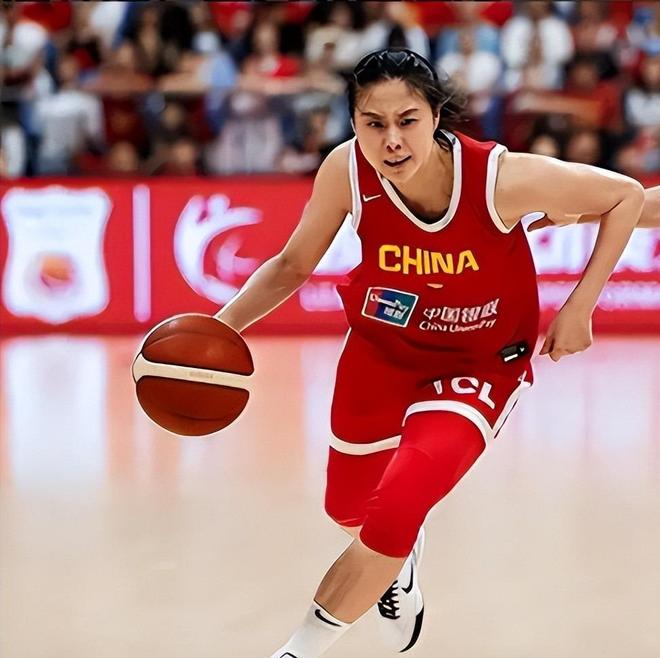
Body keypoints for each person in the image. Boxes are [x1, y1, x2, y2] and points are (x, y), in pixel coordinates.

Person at [215, 49, 649, 657]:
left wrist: (580, 305)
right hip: (381, 350)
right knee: (349, 511)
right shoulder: (347, 170)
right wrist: (219, 331)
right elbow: (291, 265)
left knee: (398, 505)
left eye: (408, 120)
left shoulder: (500, 178)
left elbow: (628, 196)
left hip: (479, 365)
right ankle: (399, 565)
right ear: (353, 123)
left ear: (436, 115)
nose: (391, 139)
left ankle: (297, 650)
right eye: (373, 123)